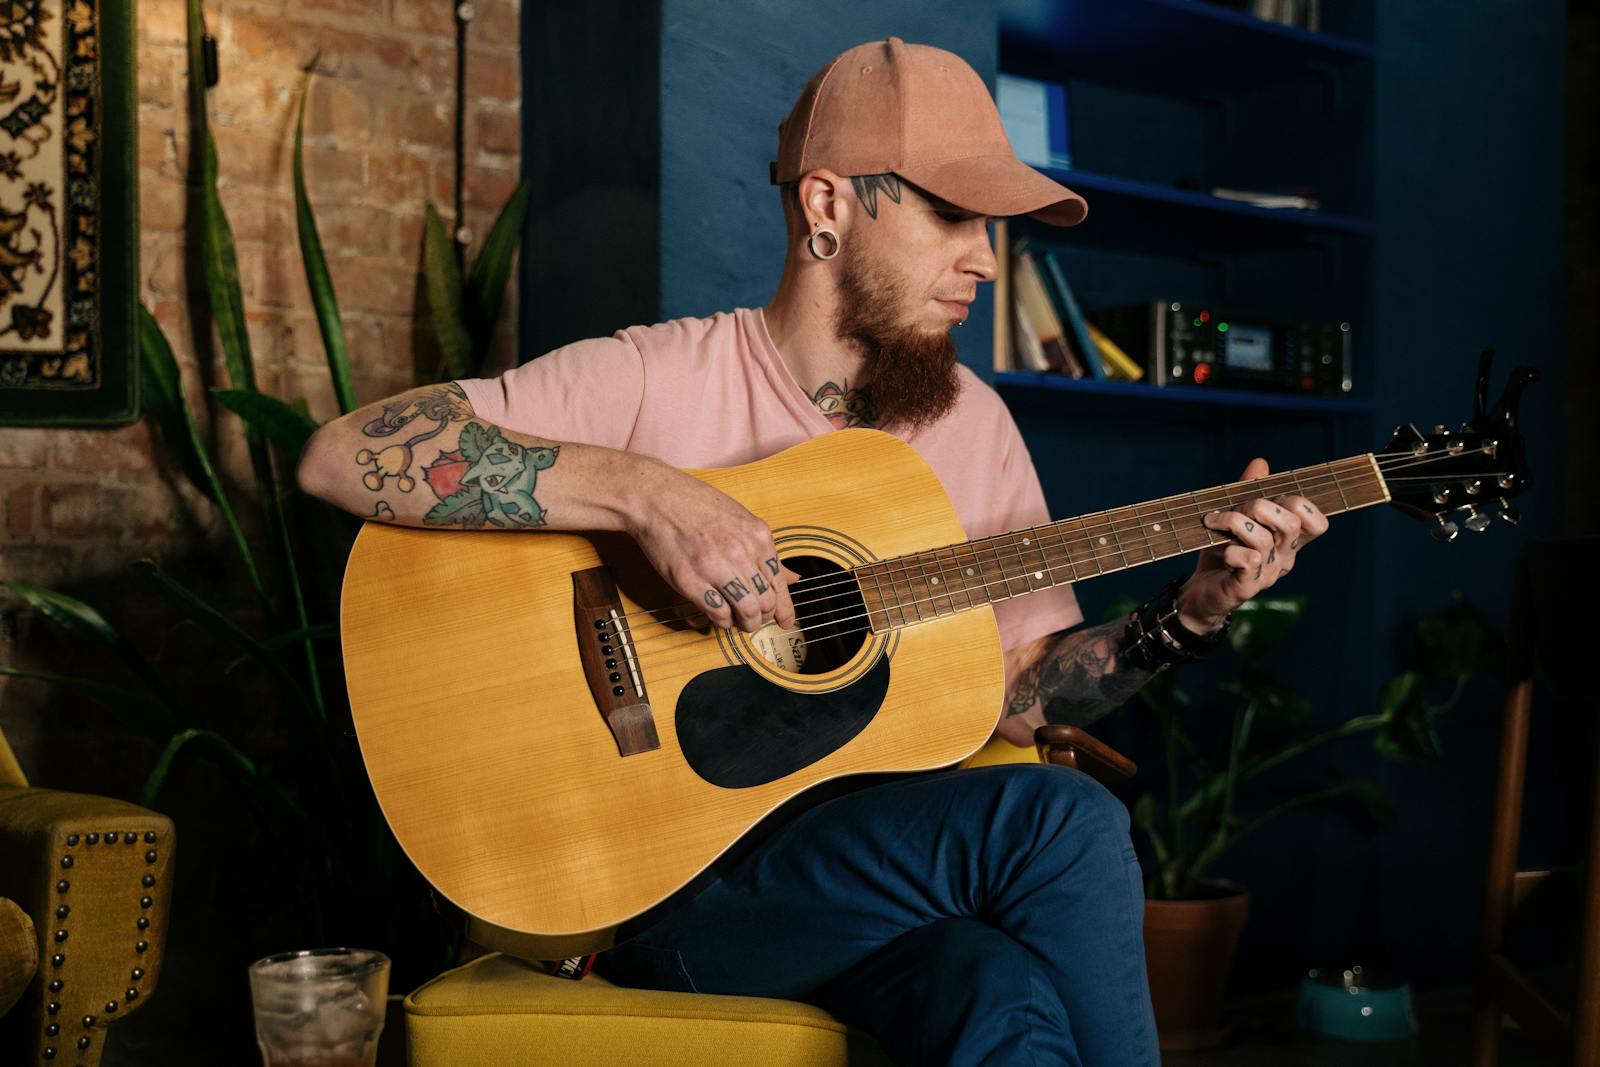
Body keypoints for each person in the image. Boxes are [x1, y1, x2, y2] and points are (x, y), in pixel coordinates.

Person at [298, 36, 1329, 1066]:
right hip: (666, 883)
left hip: (866, 886)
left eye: (990, 227)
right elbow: (341, 455)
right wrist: (645, 493)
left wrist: (1186, 616)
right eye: (952, 214)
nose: (985, 258)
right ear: (827, 204)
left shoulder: (973, 423)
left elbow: (1020, 697)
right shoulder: (661, 373)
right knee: (1066, 821)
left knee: (994, 992)